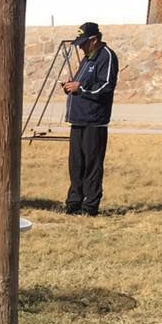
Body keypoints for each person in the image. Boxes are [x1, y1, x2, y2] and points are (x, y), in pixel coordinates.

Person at [61, 21, 119, 216]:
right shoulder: (87, 59)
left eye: (84, 43)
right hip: (78, 119)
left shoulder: (107, 57)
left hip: (95, 121)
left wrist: (81, 88)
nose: (81, 46)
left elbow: (106, 86)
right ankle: (73, 202)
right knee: (76, 163)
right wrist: (71, 86)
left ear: (94, 40)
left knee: (92, 164)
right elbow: (82, 83)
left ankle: (90, 205)